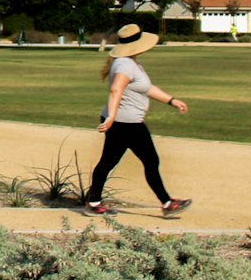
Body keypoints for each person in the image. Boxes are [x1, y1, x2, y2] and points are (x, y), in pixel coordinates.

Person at [82, 22, 192, 217]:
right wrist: (112, 117)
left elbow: (147, 89)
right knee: (149, 160)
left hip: (125, 122)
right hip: (126, 123)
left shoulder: (130, 63)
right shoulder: (125, 64)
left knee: (109, 161)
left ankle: (93, 202)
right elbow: (117, 89)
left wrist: (172, 100)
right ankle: (167, 203)